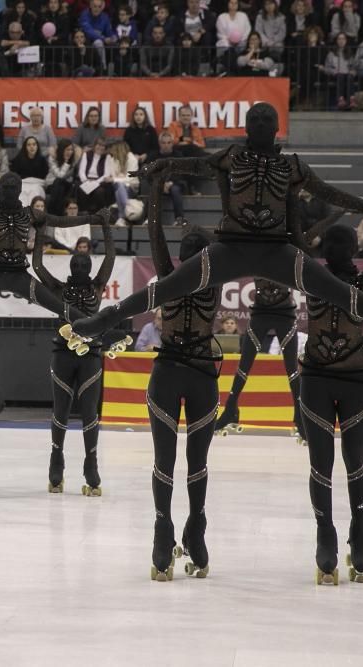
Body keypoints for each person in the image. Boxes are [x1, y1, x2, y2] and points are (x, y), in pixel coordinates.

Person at [68, 103, 363, 358]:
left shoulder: (293, 166)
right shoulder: (231, 157)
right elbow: (195, 167)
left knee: (340, 292)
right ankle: (103, 319)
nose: (262, 125)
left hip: (277, 251)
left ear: (277, 127)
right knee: (165, 288)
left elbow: (326, 191)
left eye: (267, 120)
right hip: (229, 247)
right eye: (256, 120)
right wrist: (160, 165)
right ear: (247, 127)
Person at [300, 219, 363, 586]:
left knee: (320, 465)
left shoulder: (310, 276)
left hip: (318, 379)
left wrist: (325, 221)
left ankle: (327, 533)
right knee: (355, 462)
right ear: (355, 251)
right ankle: (359, 530)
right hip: (355, 379)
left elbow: (296, 243)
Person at [143, 215, 221, 582]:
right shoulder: (216, 275)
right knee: (195, 462)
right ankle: (193, 529)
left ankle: (167, 533)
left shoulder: (168, 275)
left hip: (170, 372)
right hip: (201, 373)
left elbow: (154, 232)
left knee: (168, 460)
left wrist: (156, 189)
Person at [33, 214, 114, 496]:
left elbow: (110, 258)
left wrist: (105, 228)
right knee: (61, 411)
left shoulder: (97, 286)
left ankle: (91, 464)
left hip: (90, 354)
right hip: (63, 352)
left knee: (90, 412)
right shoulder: (60, 288)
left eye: (84, 262)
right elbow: (37, 265)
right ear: (70, 264)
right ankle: (56, 461)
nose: (79, 264)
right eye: (75, 262)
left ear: (90, 265)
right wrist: (41, 231)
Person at [0, 172, 104, 317]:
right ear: (0, 189)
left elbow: (60, 221)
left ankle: (92, 331)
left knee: (61, 308)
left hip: (19, 274)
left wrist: (92, 218)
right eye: (6, 187)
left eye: (13, 187)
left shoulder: (30, 214)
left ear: (20, 189)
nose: (10, 191)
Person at [214, 275, 305, 444]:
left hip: (284, 313)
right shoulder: (259, 252)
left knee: (292, 370)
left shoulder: (285, 252)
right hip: (260, 312)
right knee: (244, 366)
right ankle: (230, 413)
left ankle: (300, 419)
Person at [77, 136, 113, 213]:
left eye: (103, 146)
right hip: (87, 179)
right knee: (81, 189)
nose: (100, 147)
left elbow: (106, 174)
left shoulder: (107, 157)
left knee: (99, 192)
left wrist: (95, 183)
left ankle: (99, 214)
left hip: (100, 181)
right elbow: (81, 171)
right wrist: (85, 181)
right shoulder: (86, 154)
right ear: (95, 145)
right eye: (99, 145)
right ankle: (84, 212)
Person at [10, 136, 50, 205]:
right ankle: (22, 214)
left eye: (34, 144)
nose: (32, 147)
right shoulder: (18, 159)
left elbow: (45, 176)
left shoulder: (42, 160)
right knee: (21, 193)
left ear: (37, 146)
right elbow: (14, 175)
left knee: (34, 192)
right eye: (29, 145)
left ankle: (33, 214)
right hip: (23, 184)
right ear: (25, 147)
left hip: (38, 185)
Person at [107, 141, 139, 226]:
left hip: (132, 187)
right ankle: (126, 212)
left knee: (119, 187)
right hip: (117, 187)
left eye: (113, 150)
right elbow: (112, 176)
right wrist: (119, 179)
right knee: (119, 186)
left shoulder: (132, 159)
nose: (111, 152)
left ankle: (121, 216)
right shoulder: (112, 159)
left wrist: (118, 179)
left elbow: (130, 178)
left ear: (119, 150)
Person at [79, 0, 116, 67]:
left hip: (102, 42)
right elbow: (89, 32)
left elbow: (109, 32)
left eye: (99, 7)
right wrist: (103, 38)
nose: (97, 9)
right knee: (98, 42)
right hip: (87, 42)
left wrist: (113, 37)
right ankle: (103, 69)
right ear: (90, 6)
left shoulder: (105, 16)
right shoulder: (84, 15)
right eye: (95, 6)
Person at [46, 139, 78, 213]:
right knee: (59, 183)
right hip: (52, 185)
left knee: (61, 184)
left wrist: (67, 161)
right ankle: (59, 213)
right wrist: (66, 162)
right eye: (67, 150)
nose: (70, 152)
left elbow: (63, 177)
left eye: (71, 150)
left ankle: (52, 213)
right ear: (61, 149)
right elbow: (59, 175)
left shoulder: (73, 160)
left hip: (67, 184)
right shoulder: (52, 158)